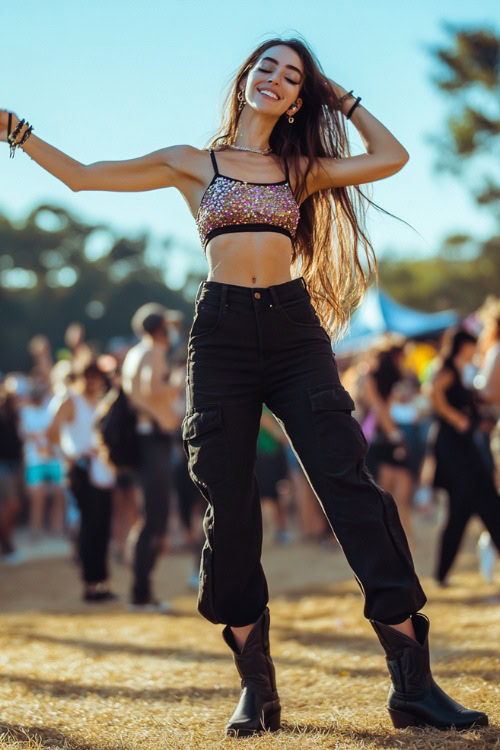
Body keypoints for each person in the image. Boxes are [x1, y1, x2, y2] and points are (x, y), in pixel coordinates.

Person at [1, 36, 488, 734]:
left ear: (298, 98)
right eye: (268, 67)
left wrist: (339, 97)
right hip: (222, 334)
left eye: (292, 77)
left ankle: (413, 686)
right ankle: (256, 688)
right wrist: (16, 131)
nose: (276, 80)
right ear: (247, 77)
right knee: (228, 510)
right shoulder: (191, 163)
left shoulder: (301, 168)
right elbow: (83, 177)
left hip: (293, 333)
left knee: (351, 488)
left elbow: (392, 156)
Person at [121, 303, 183, 612]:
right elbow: (150, 386)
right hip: (152, 440)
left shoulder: (136, 351)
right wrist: (176, 384)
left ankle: (141, 590)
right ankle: (140, 593)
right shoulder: (152, 353)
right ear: (159, 328)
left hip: (146, 440)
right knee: (154, 520)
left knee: (153, 519)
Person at [429, 327, 500, 587]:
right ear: (462, 346)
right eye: (473, 346)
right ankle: (441, 573)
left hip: (463, 445)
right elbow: (434, 394)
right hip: (453, 447)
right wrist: (454, 417)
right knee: (485, 501)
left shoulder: (462, 371)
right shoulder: (447, 370)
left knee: (463, 510)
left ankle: (441, 574)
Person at [47, 361, 117, 603]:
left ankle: (102, 581)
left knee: (102, 528)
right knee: (90, 527)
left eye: (96, 376)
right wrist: (70, 459)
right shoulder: (71, 401)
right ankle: (91, 583)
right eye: (89, 376)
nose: (93, 381)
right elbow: (51, 432)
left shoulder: (98, 401)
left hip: (102, 470)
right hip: (83, 471)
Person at [363, 341, 416, 548]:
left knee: (387, 494)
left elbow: (378, 408)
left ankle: (393, 538)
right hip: (391, 438)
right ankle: (403, 537)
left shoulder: (372, 378)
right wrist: (395, 435)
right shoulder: (393, 379)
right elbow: (381, 409)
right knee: (397, 493)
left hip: (381, 440)